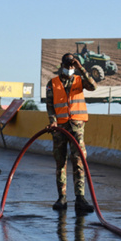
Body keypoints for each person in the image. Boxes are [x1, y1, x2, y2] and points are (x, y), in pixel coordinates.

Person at [46, 53, 97, 214]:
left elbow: (93, 86)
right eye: (67, 65)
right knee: (60, 162)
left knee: (79, 162)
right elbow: (50, 105)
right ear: (61, 65)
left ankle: (80, 198)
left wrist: (81, 67)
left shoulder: (79, 80)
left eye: (72, 65)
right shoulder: (52, 83)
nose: (70, 68)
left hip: (76, 127)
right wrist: (52, 120)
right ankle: (62, 198)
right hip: (60, 128)